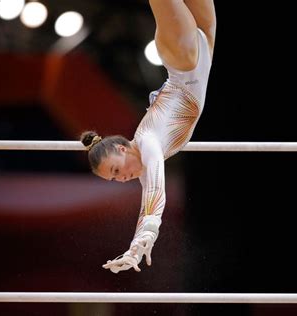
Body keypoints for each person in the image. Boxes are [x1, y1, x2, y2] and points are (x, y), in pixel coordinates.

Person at [80, 0, 216, 273]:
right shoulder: (141, 158)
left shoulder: (148, 143)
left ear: (121, 148)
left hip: (183, 57)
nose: (121, 178)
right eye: (114, 178)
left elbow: (156, 190)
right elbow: (146, 204)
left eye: (116, 170)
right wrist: (133, 250)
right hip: (203, 48)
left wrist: (149, 233)